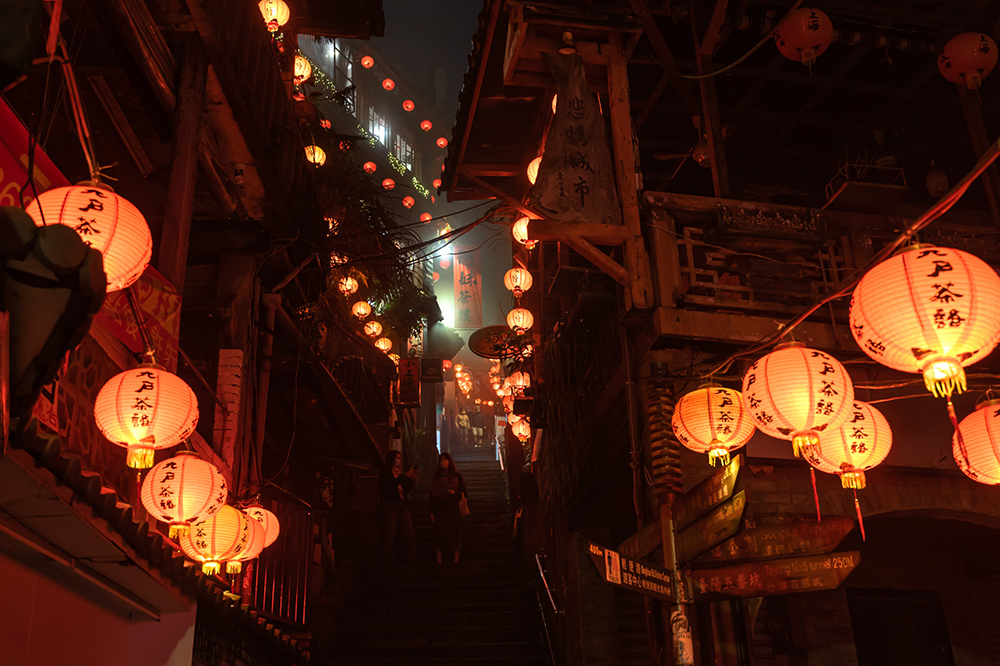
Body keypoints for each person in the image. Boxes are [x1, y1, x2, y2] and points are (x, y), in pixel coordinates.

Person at [378, 451, 418, 564]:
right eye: (397, 458)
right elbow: (390, 484)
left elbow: (405, 489)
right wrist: (405, 476)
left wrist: (410, 479)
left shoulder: (399, 473)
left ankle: (413, 559)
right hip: (390, 504)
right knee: (390, 533)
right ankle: (388, 560)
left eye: (400, 458)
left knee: (409, 533)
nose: (399, 460)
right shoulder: (385, 472)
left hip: (401, 503)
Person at [429, 453, 467, 564]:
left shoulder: (457, 476)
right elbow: (432, 496)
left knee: (455, 536)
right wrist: (431, 511)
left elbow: (464, 492)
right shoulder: (437, 478)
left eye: (445, 460)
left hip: (453, 509)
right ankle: (439, 561)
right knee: (439, 536)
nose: (443, 462)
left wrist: (455, 493)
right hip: (440, 510)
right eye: (441, 460)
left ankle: (456, 561)